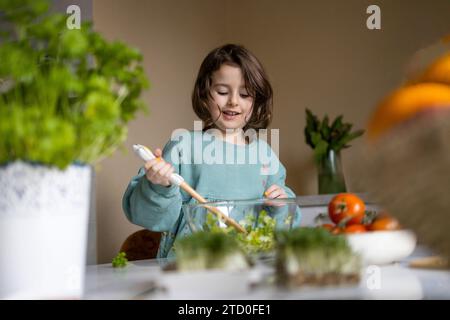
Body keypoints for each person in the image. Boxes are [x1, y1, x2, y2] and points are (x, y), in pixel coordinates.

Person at [122, 44, 301, 259]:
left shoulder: (264, 154)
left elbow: (286, 226)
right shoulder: (184, 146)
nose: (233, 100)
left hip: (249, 272)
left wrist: (281, 206)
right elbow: (149, 217)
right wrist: (159, 187)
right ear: (204, 94)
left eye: (244, 94)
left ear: (256, 101)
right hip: (190, 272)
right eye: (223, 91)